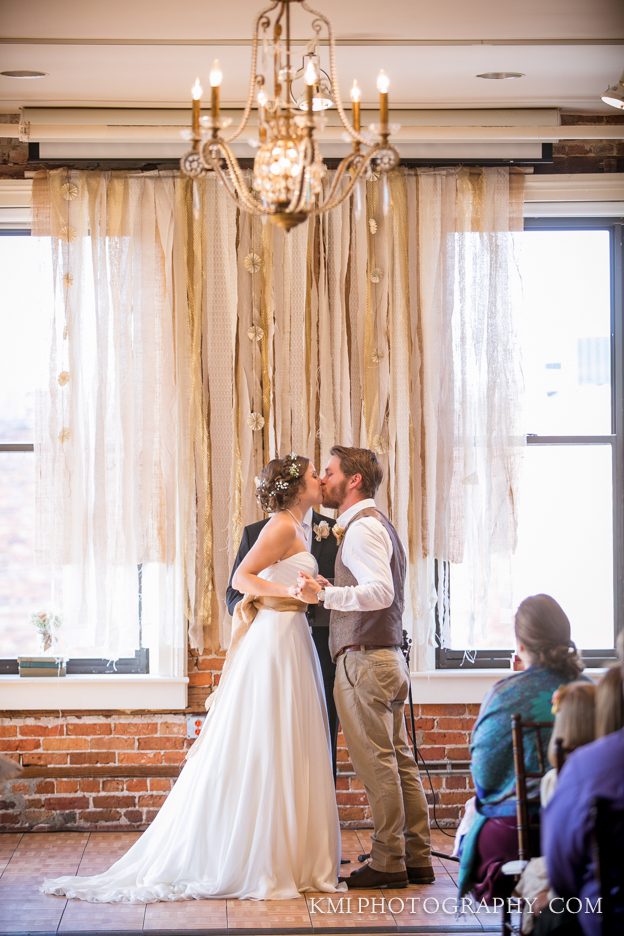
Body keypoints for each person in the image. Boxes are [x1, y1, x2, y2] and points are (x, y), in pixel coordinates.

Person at [41, 454, 343, 902]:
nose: (320, 479)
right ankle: (260, 855)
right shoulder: (280, 525)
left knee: (291, 741)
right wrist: (290, 591)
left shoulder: (299, 528)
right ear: (298, 488)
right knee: (269, 740)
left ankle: (293, 853)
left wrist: (312, 592)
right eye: (312, 475)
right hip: (275, 640)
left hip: (293, 637)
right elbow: (242, 577)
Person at [297, 445, 433, 890]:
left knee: (378, 764)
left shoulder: (360, 530)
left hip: (365, 661)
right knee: (399, 762)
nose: (325, 480)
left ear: (353, 480)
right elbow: (374, 589)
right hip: (386, 657)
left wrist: (325, 597)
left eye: (331, 472)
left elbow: (380, 593)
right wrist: (333, 586)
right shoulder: (379, 526)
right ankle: (416, 857)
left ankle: (388, 860)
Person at [457, 594, 585, 902]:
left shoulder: (504, 694)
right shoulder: (592, 691)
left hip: (520, 833)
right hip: (584, 831)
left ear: (521, 645)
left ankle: (529, 889)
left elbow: (485, 778)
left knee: (472, 817)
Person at [226, 502, 339, 777]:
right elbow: (233, 596)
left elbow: (348, 589)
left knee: (320, 736)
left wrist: (322, 591)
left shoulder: (335, 531)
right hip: (276, 645)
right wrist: (279, 602)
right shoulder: (257, 532)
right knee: (272, 729)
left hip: (322, 649)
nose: (321, 480)